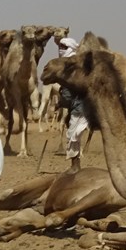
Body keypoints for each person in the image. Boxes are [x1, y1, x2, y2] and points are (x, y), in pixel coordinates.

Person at [57, 37, 89, 173]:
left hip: (81, 106)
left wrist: (63, 102)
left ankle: (75, 166)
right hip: (83, 105)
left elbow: (68, 93)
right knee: (74, 134)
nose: (61, 50)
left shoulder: (70, 66)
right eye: (60, 47)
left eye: (64, 47)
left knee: (72, 135)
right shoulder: (78, 63)